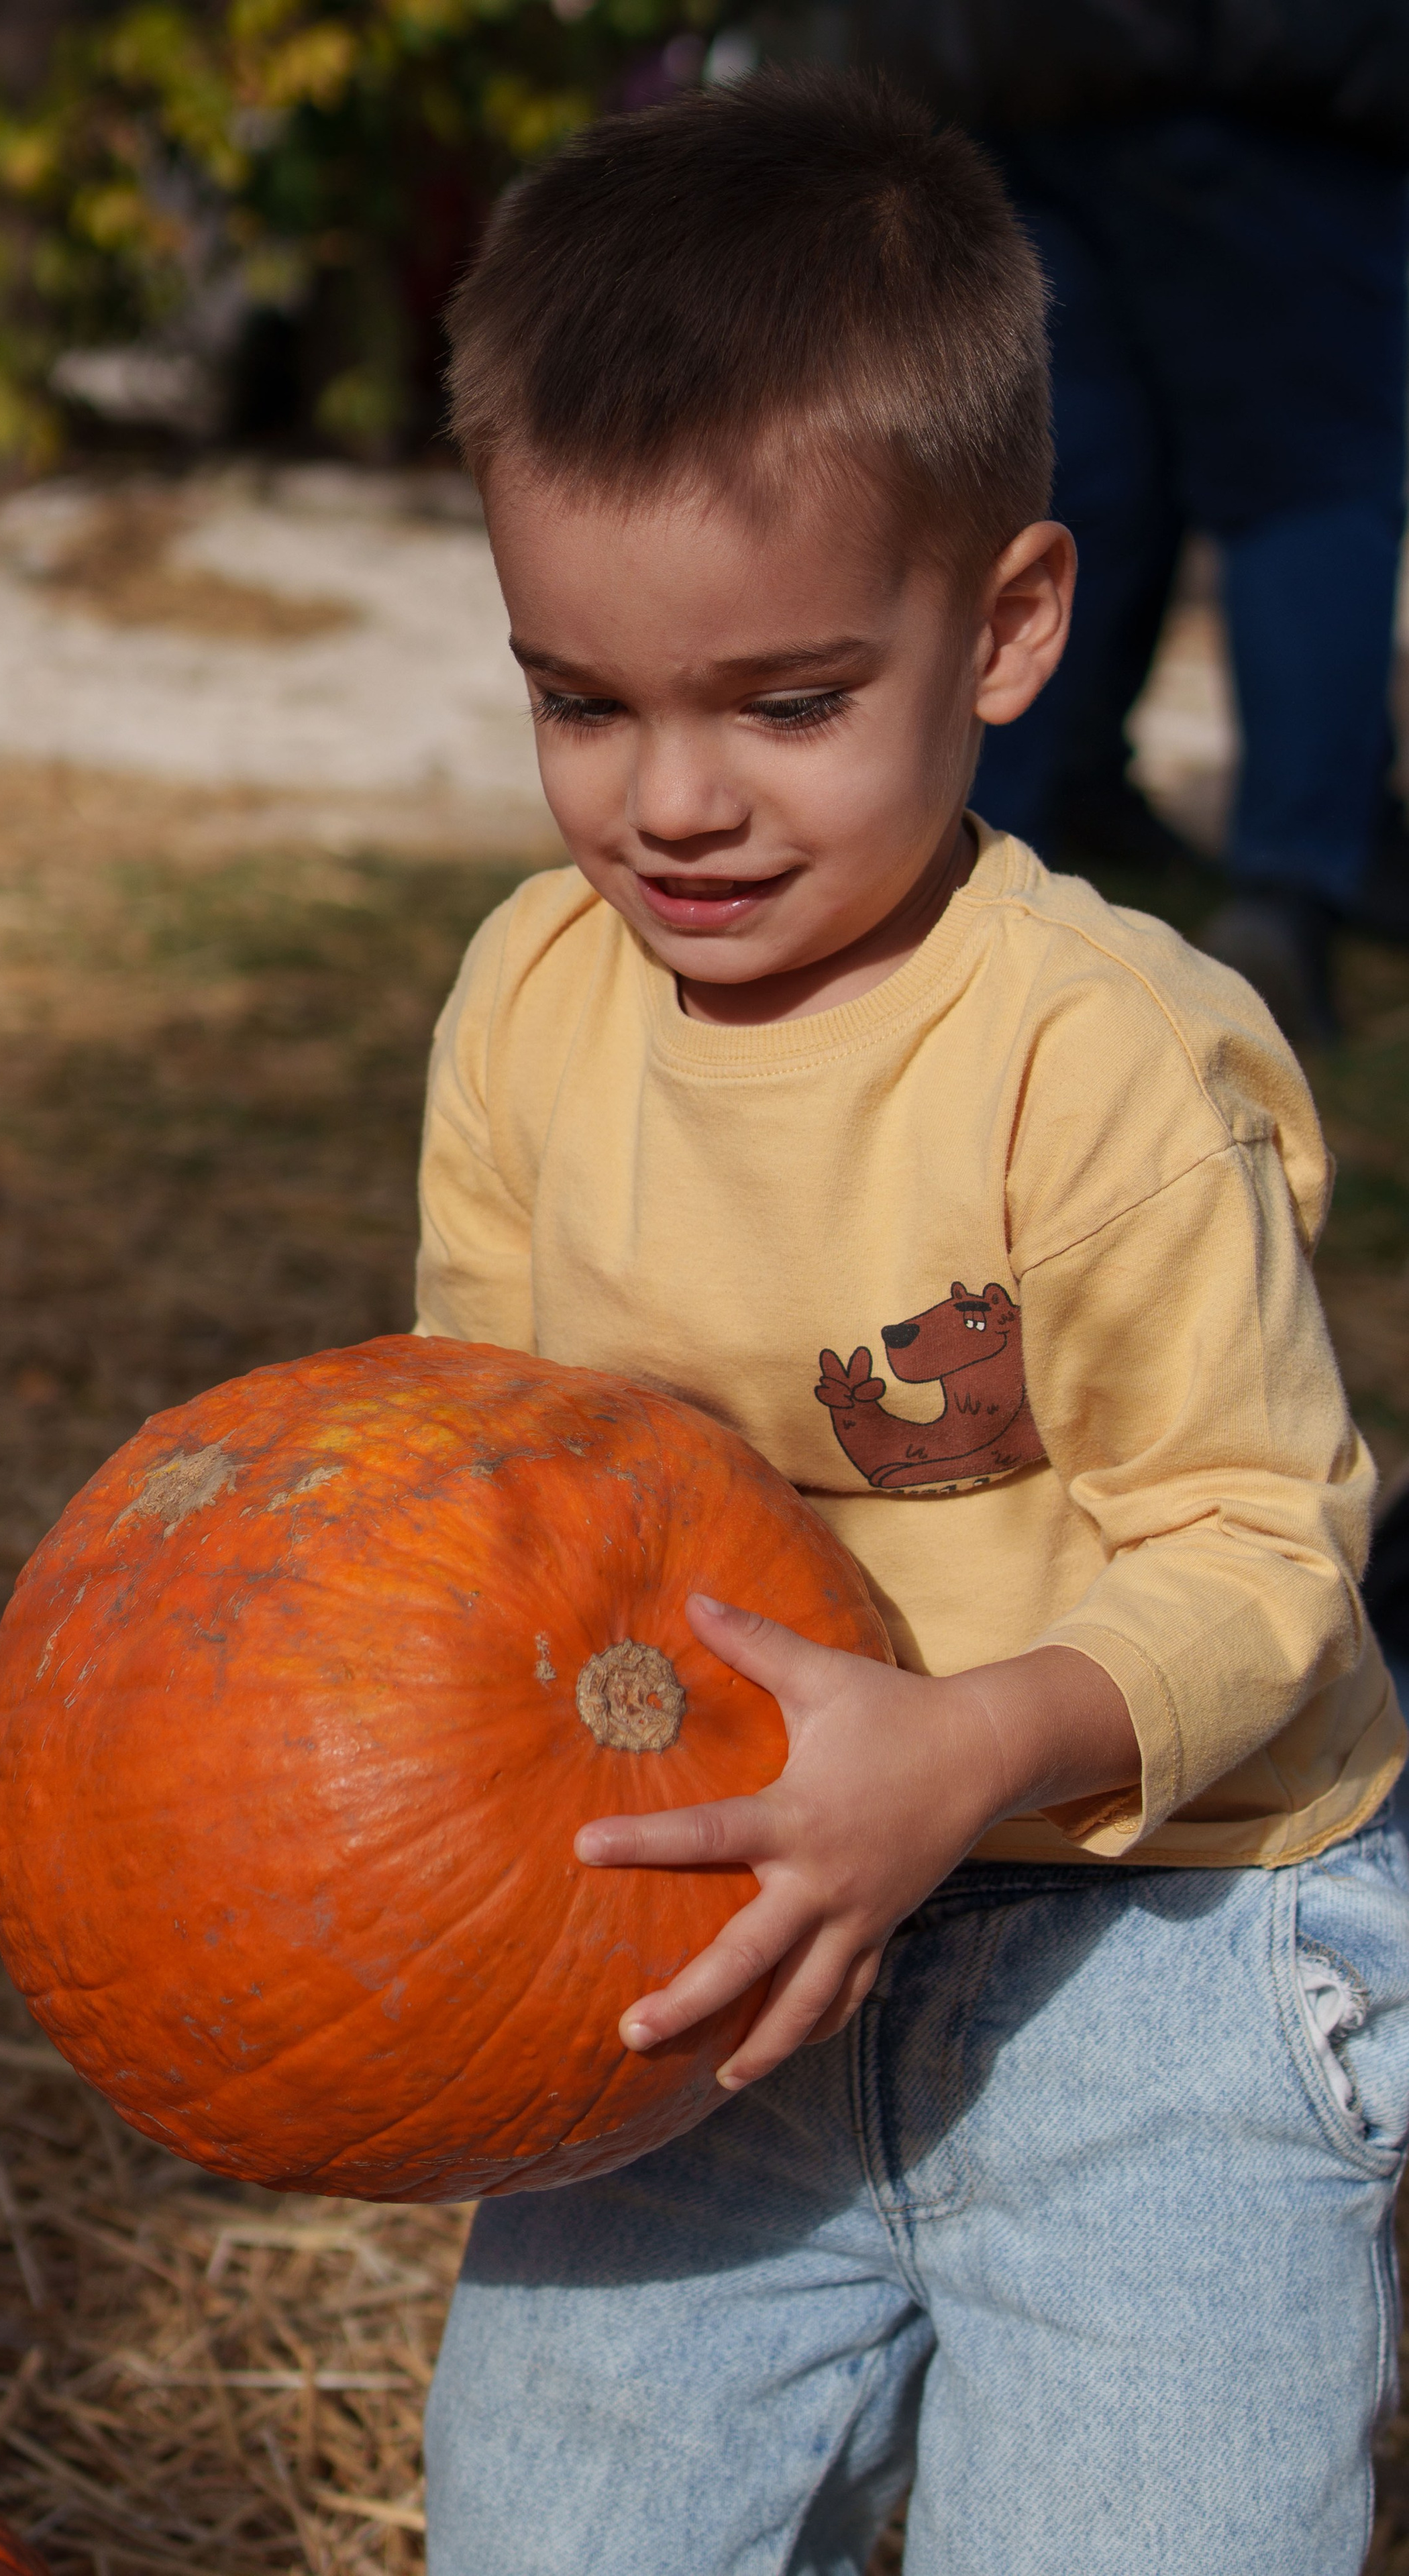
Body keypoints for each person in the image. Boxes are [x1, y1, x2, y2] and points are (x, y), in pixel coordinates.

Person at [412, 72, 1409, 2574]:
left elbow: (1260, 1558)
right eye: (580, 700)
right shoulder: (533, 1006)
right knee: (552, 2536)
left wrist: (969, 1748)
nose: (673, 805)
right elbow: (479, 1477)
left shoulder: (1093, 1061)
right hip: (714, 1951)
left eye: (781, 704)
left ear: (1009, 632)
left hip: (1157, 1946)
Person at [846, 0, 1409, 1044]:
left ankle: (985, 854)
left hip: (997, 60)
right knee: (1309, 480)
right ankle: (1288, 888)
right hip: (1256, 68)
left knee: (1066, 474)